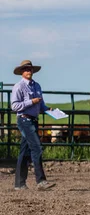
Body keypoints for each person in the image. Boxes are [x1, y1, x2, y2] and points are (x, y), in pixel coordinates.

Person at [10, 60, 56, 191]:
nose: (28, 71)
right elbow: (14, 106)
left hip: (33, 120)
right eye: (25, 69)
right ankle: (41, 181)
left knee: (24, 151)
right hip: (24, 120)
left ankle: (19, 183)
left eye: (30, 69)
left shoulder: (37, 86)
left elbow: (41, 105)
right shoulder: (18, 87)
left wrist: (47, 109)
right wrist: (31, 102)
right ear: (21, 72)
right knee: (36, 148)